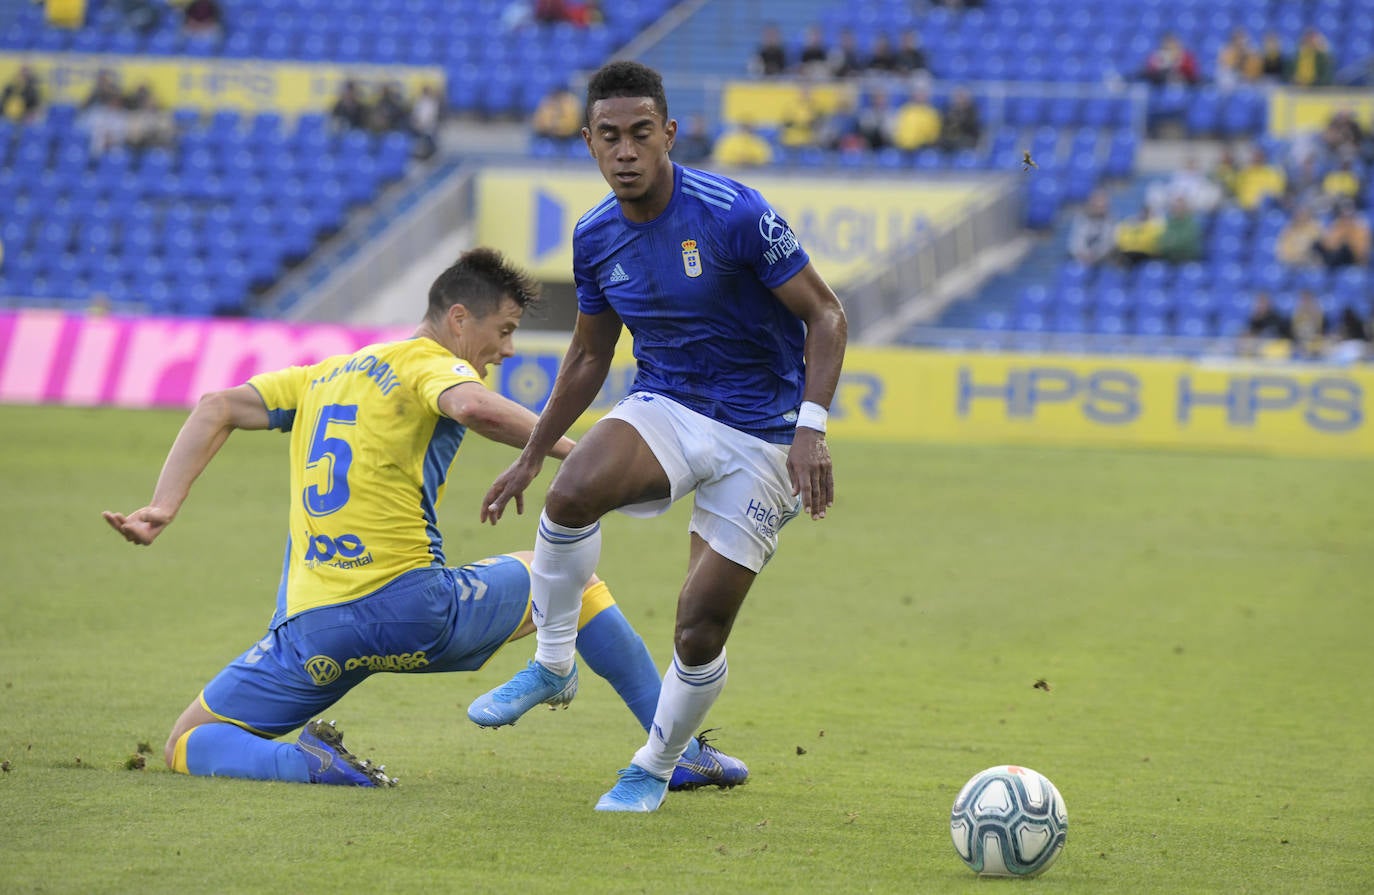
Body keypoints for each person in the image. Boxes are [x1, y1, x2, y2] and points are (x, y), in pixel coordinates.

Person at [101, 248, 748, 792]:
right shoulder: (433, 363)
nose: (507, 347)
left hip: (311, 629)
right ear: (459, 318)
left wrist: (164, 504)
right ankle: (680, 751)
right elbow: (472, 407)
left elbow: (216, 404)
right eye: (503, 329)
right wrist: (579, 458)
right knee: (570, 578)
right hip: (406, 608)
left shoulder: (324, 374)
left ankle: (307, 764)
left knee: (189, 740)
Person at [468, 61, 847, 813]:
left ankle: (655, 763)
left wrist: (812, 430)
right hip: (668, 402)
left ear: (668, 134)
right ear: (588, 143)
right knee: (570, 494)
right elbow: (586, 356)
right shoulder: (595, 237)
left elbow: (827, 315)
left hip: (764, 432)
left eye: (642, 133)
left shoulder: (735, 212)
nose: (627, 151)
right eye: (610, 137)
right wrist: (533, 452)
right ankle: (553, 663)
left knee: (699, 624)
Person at [1067, 189, 1117, 267]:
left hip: (1101, 262)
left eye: (1103, 206)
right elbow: (1076, 241)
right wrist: (1083, 254)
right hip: (1080, 259)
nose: (1100, 208)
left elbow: (1108, 243)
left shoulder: (1111, 221)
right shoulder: (1081, 219)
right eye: (1097, 205)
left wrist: (1095, 255)